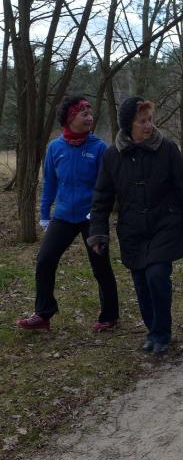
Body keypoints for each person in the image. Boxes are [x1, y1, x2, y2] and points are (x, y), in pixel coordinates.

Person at [88, 97, 183, 355]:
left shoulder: (167, 149)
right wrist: (98, 232)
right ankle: (153, 330)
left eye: (150, 120)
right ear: (128, 125)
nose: (148, 125)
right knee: (141, 283)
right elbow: (102, 197)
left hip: (165, 224)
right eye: (142, 121)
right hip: (132, 230)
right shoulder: (112, 156)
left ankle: (162, 333)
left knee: (157, 276)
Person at [16, 96, 119, 332]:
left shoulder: (99, 148)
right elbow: (50, 183)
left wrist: (98, 214)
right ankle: (43, 314)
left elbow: (108, 187)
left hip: (91, 217)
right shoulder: (55, 148)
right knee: (44, 261)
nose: (90, 118)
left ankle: (109, 316)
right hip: (63, 216)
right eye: (84, 114)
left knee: (100, 266)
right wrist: (44, 214)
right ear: (71, 118)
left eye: (90, 114)